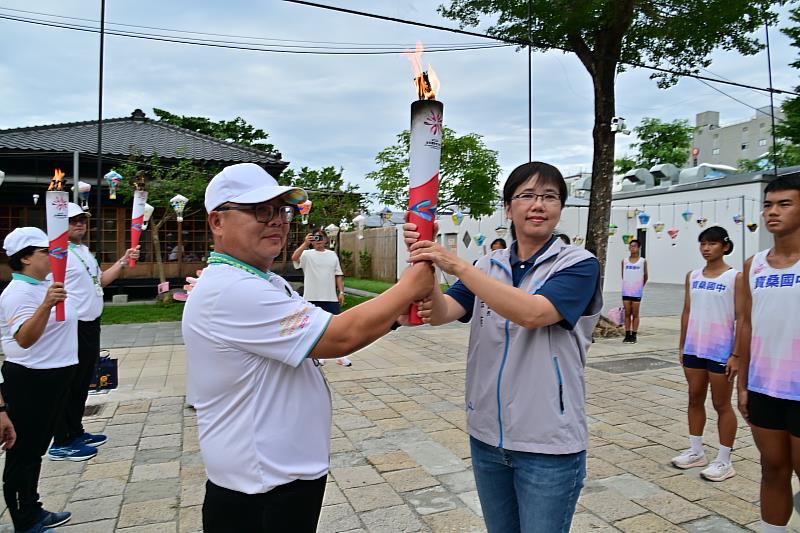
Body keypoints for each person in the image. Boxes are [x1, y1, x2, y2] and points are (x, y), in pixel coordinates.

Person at [182, 163, 433, 533]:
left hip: (279, 474)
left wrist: (395, 316)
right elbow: (338, 337)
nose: (277, 222)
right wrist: (411, 285)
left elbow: (319, 342)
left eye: (281, 211)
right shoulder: (232, 290)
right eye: (260, 211)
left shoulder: (263, 281)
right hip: (260, 486)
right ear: (216, 222)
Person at [405, 161, 602, 533]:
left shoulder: (579, 264)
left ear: (561, 208)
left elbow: (533, 313)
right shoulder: (488, 265)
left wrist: (456, 265)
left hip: (548, 444)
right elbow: (442, 311)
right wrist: (425, 259)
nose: (538, 204)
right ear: (508, 208)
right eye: (526, 196)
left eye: (550, 197)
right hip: (486, 438)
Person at [47, 203, 140, 461]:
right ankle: (61, 441)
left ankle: (76, 431)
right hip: (70, 326)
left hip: (90, 323)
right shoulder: (55, 254)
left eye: (82, 220)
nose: (79, 224)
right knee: (68, 382)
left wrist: (123, 260)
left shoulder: (83, 252)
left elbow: (98, 282)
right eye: (72, 220)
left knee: (82, 382)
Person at [1, 227, 78, 533]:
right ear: (25, 258)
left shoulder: (45, 285)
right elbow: (24, 339)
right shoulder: (19, 293)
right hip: (31, 380)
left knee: (36, 448)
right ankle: (25, 517)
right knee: (25, 451)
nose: (53, 256)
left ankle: (33, 508)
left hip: (55, 377)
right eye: (46, 251)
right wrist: (46, 305)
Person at [736, 176, 800, 533]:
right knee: (772, 468)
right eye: (768, 204)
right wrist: (743, 384)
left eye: (784, 204)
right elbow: (745, 324)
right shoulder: (754, 265)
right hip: (765, 387)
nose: (772, 212)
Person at [672, 226, 740, 482]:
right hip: (694, 349)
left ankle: (724, 460)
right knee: (694, 398)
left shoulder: (735, 277)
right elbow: (687, 311)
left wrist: (737, 354)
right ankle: (696, 451)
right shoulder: (693, 276)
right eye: (702, 243)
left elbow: (743, 317)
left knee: (722, 404)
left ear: (724, 246)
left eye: (712, 243)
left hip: (721, 350)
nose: (706, 248)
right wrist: (682, 345)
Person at [291, 228, 351, 367]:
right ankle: (320, 355)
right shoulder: (306, 254)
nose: (318, 240)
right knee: (314, 328)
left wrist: (341, 292)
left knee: (337, 327)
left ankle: (341, 356)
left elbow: (338, 275)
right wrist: (305, 243)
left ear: (325, 239)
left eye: (320, 237)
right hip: (311, 296)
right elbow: (294, 258)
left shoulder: (332, 255)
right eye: (315, 238)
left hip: (330, 296)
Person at [621, 239, 647, 343]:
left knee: (635, 313)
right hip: (626, 290)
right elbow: (623, 274)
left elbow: (645, 275)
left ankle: (634, 334)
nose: (632, 248)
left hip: (637, 291)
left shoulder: (642, 261)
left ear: (639, 247)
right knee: (627, 313)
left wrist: (640, 286)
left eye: (634, 246)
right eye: (631, 246)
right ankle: (627, 334)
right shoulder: (624, 261)